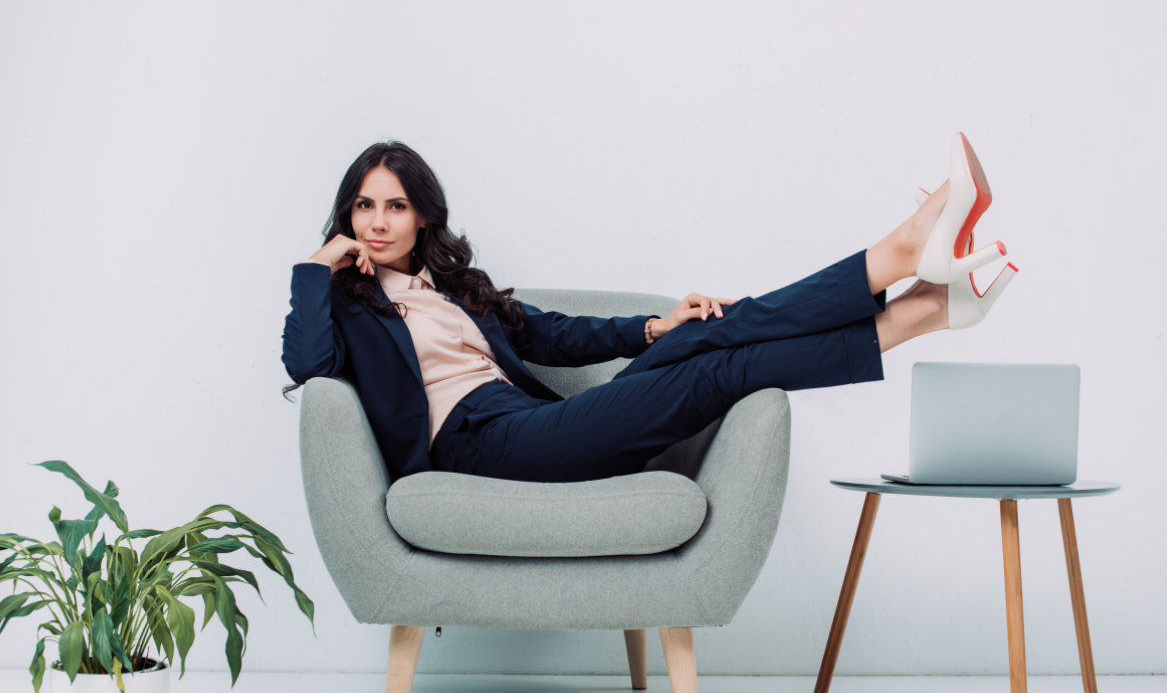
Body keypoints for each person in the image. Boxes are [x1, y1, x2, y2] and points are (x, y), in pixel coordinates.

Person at [282, 137, 1017, 484]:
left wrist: (652, 328)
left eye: (396, 205)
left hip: (522, 422)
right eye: (365, 205)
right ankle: (907, 270)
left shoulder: (454, 283)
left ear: (422, 217)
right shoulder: (346, 304)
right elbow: (308, 366)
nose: (378, 221)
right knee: (707, 379)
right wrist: (314, 270)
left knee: (707, 332)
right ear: (349, 215)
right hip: (477, 446)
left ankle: (919, 301)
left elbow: (548, 334)